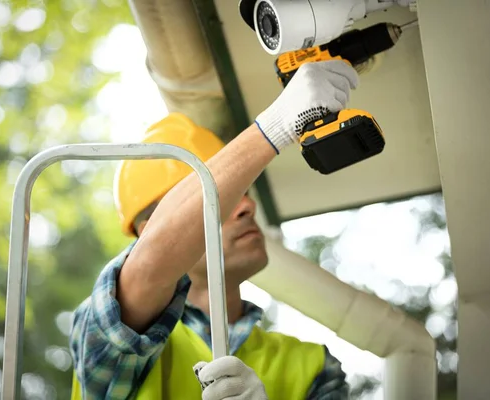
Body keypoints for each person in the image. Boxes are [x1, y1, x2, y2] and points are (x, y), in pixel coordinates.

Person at [69, 59, 359, 399]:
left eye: (242, 192)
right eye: (219, 199)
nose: (248, 206)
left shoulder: (312, 365)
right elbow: (148, 266)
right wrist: (275, 127)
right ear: (149, 230)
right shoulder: (112, 336)